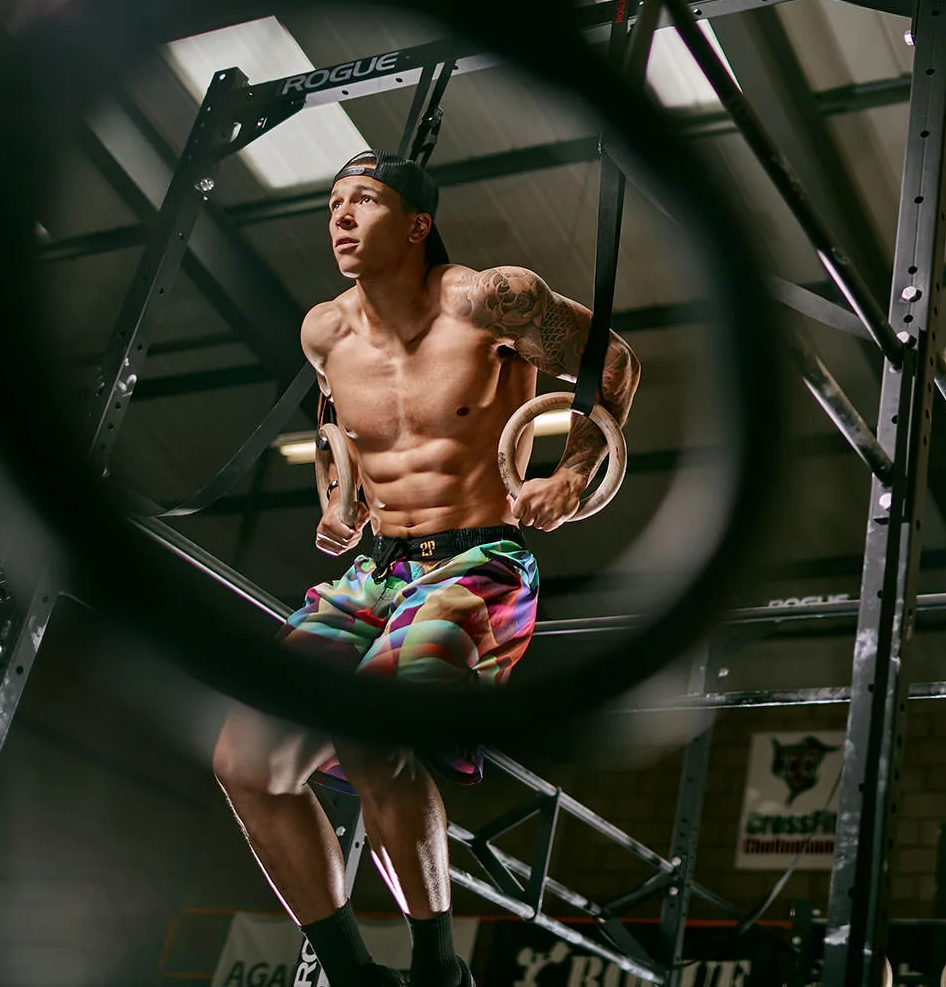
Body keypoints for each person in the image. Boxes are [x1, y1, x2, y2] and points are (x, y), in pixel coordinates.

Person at [211, 150, 640, 987]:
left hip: (478, 560)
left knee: (374, 729)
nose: (339, 215)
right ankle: (350, 971)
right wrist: (340, 504)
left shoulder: (491, 299)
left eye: (363, 200)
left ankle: (440, 970)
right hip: (372, 572)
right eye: (332, 201)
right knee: (244, 759)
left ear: (416, 225)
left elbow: (614, 363)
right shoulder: (323, 331)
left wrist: (573, 473)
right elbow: (342, 437)